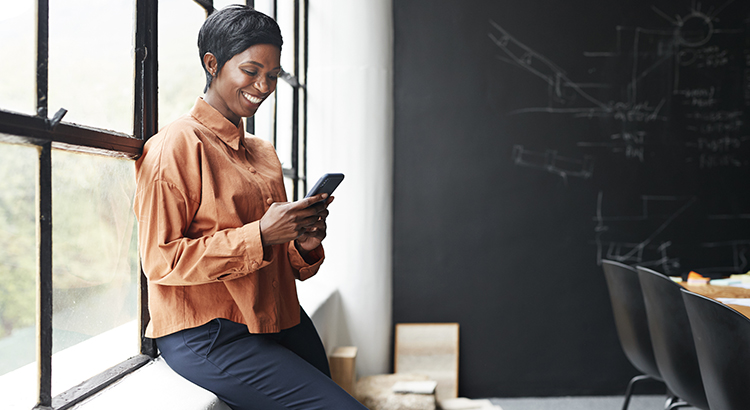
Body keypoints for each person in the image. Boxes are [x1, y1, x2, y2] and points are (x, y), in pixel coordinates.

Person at [133, 5, 366, 410]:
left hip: (276, 316)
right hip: (208, 333)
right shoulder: (176, 145)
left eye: (272, 75)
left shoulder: (262, 152)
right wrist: (260, 234)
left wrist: (304, 242)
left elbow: (277, 258)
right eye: (252, 71)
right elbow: (160, 259)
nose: (263, 85)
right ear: (212, 64)